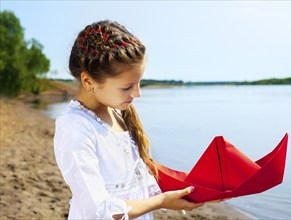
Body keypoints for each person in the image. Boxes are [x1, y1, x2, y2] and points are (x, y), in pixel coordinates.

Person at [53, 20, 204, 220]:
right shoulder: (75, 128)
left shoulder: (119, 112)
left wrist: (197, 192)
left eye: (139, 83)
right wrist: (161, 202)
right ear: (89, 82)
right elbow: (99, 211)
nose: (138, 93)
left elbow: (138, 183)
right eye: (127, 87)